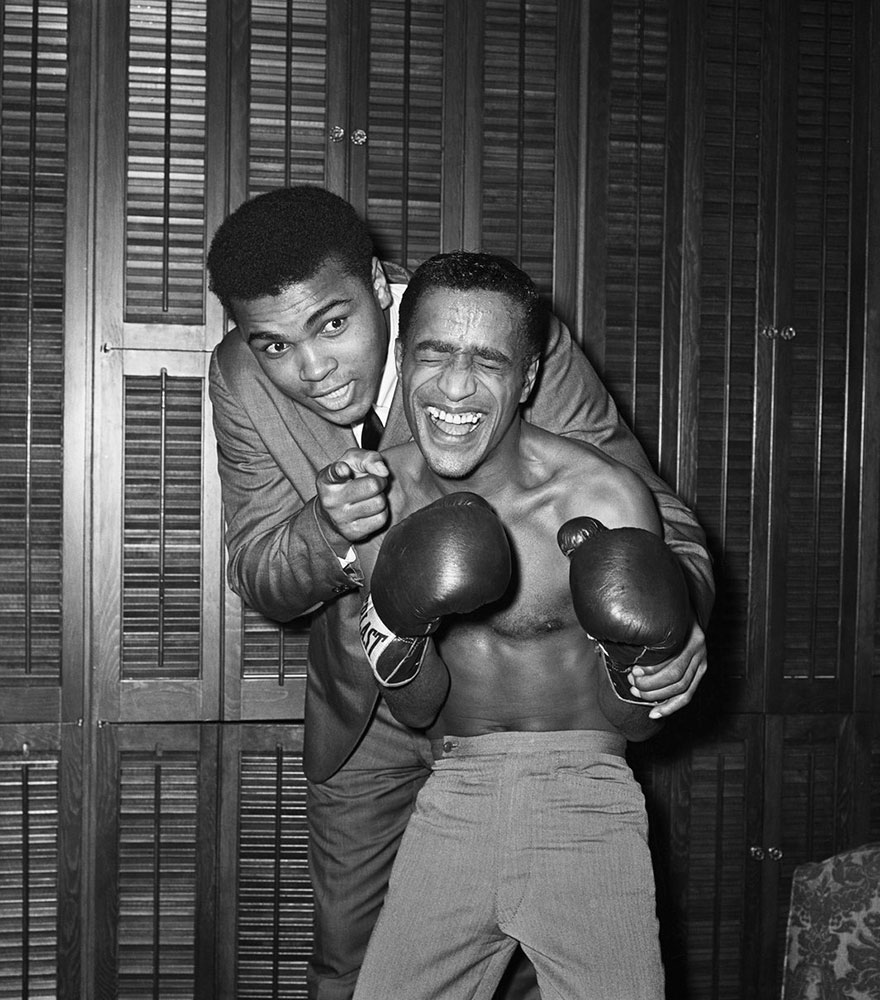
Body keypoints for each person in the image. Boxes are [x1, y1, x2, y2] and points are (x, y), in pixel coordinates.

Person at [205, 186, 713, 1000]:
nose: (311, 368)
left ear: (377, 287)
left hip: (531, 710)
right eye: (272, 344)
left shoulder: (502, 334)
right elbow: (262, 569)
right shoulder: (238, 380)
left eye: (332, 325)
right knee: (353, 963)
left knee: (520, 967)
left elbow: (651, 511)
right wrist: (334, 530)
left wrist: (671, 619)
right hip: (370, 706)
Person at [351, 250, 693, 999]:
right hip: (455, 790)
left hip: (587, 794)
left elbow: (638, 728)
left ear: (530, 378)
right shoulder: (383, 505)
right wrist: (400, 641)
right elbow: (419, 712)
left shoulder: (602, 495)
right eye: (434, 354)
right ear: (401, 358)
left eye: (489, 361)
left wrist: (647, 662)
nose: (455, 387)